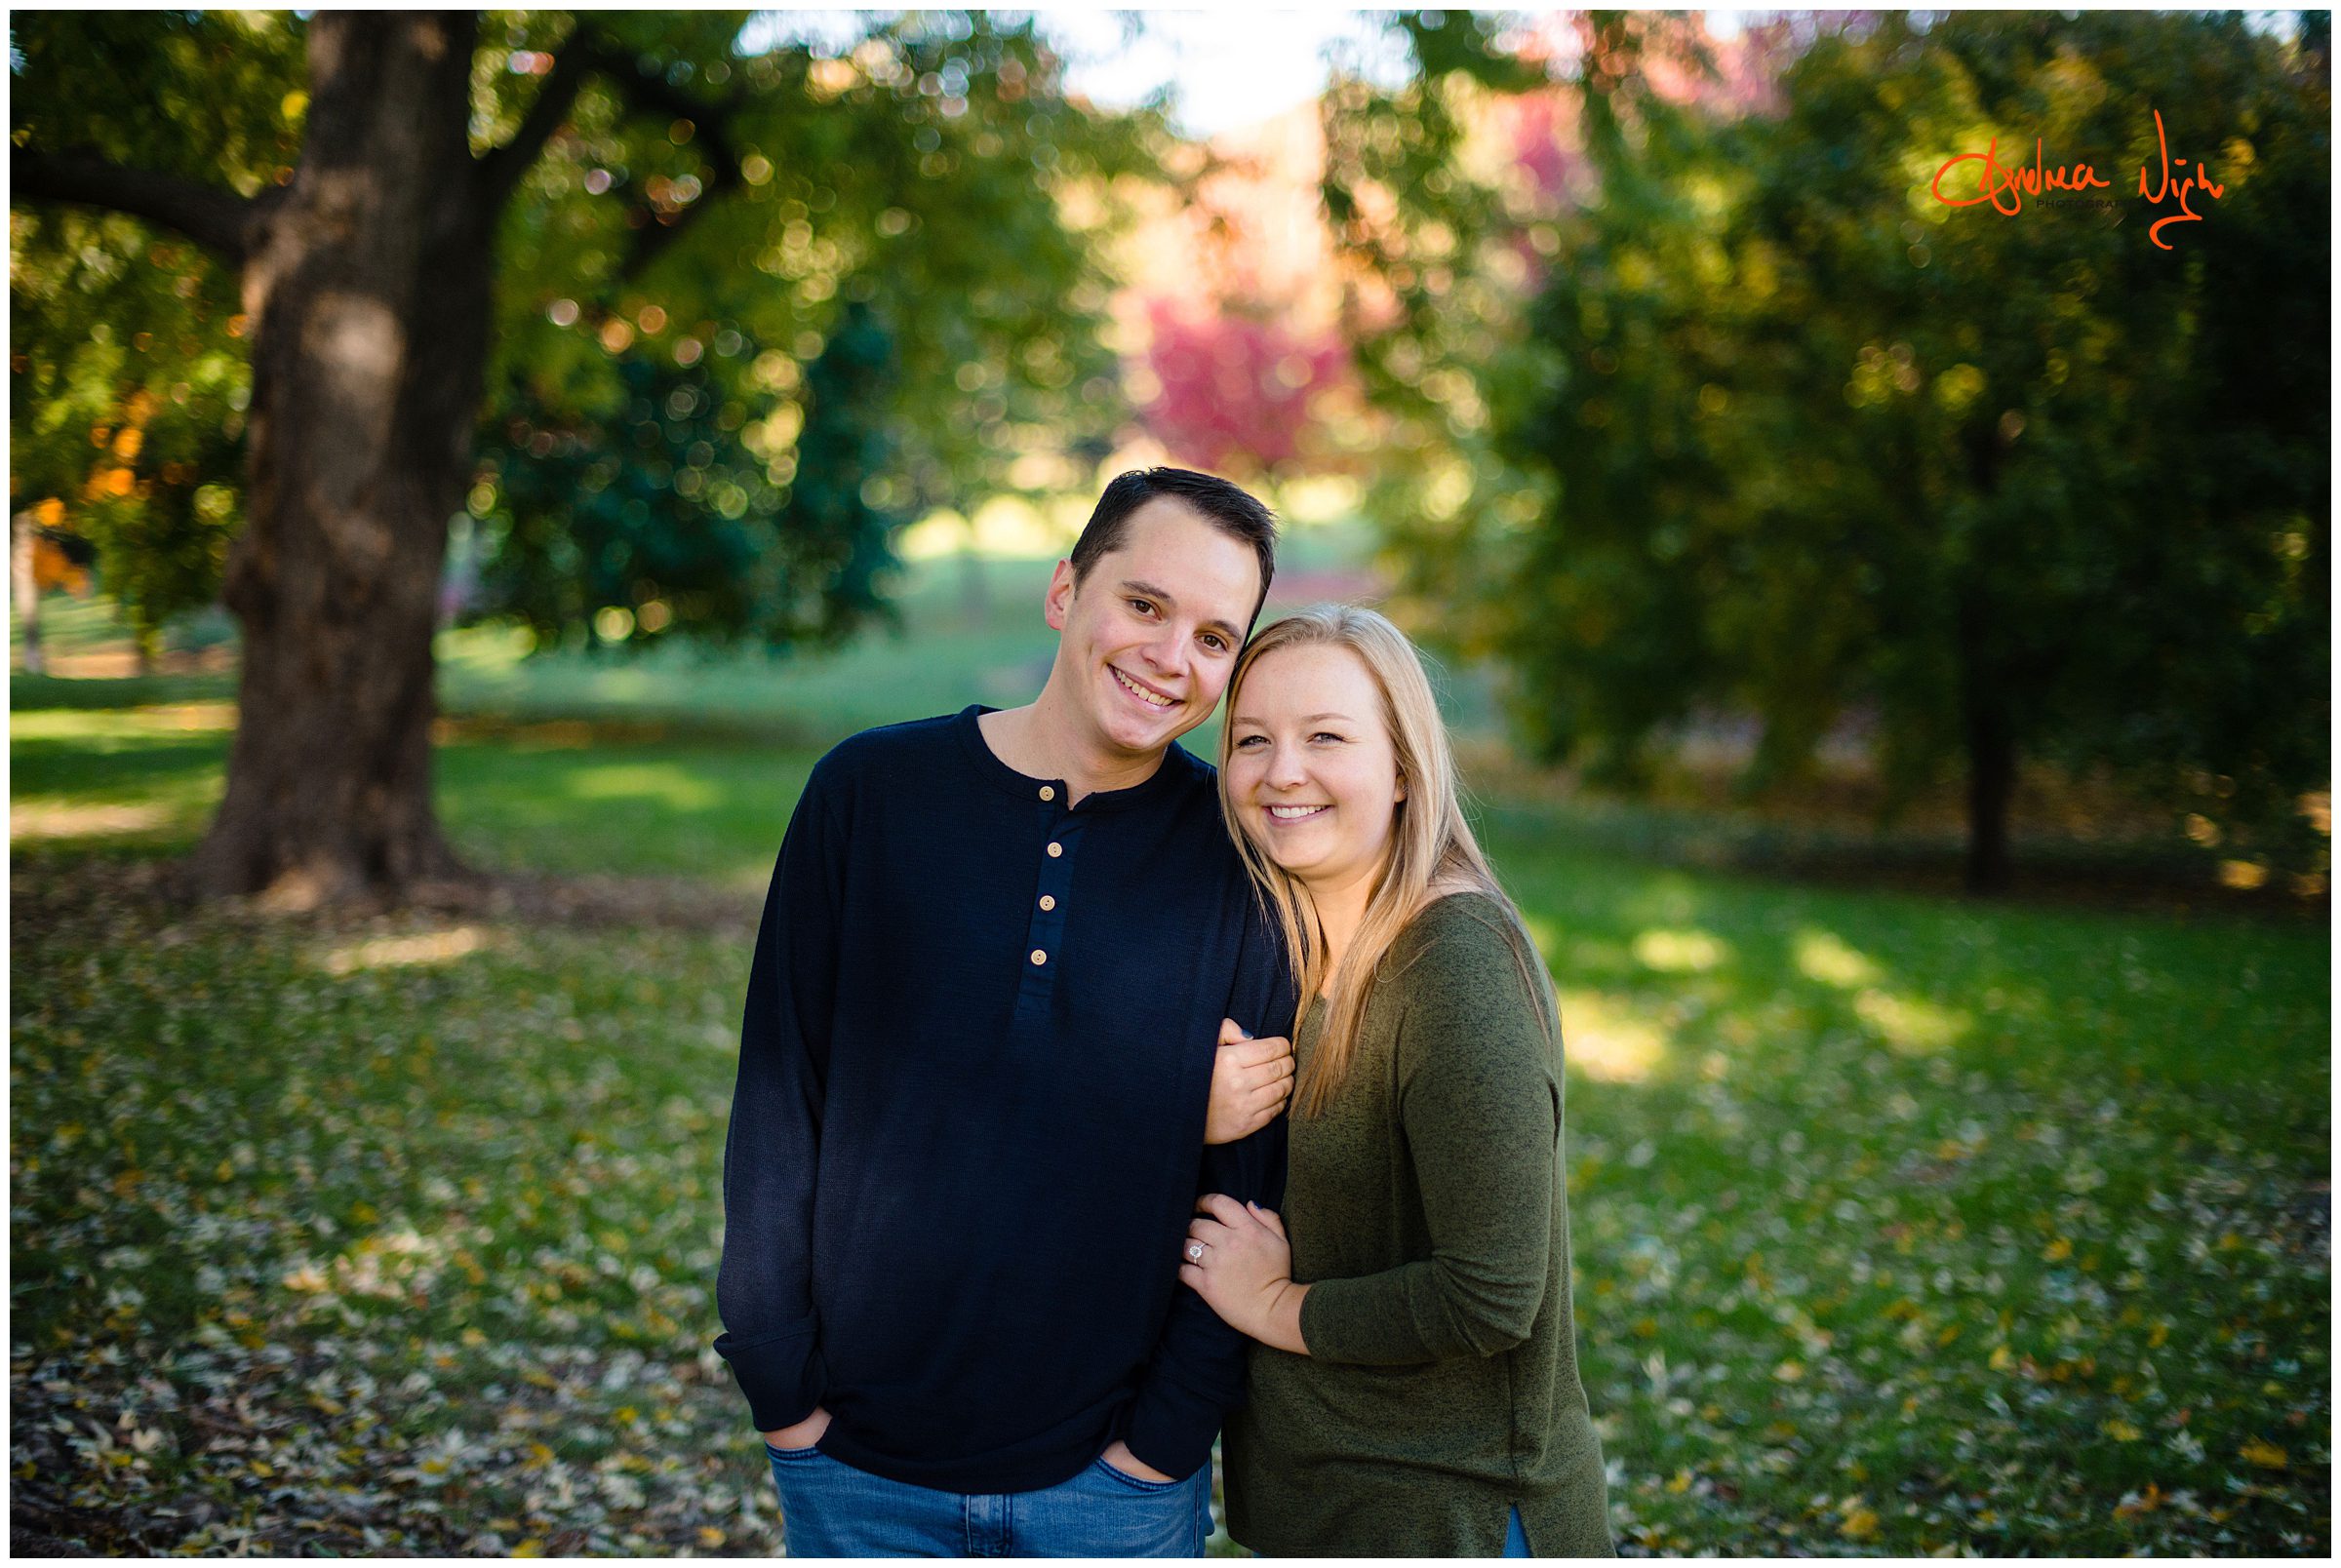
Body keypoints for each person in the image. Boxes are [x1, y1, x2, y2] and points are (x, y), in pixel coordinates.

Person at [714, 467, 1299, 1557]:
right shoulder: (869, 797)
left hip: (1111, 1490)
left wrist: (1161, 1446)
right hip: (855, 1469)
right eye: (1145, 605)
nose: (1172, 658)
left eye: (1216, 639)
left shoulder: (1239, 865)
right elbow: (779, 1097)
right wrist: (782, 1390)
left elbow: (1248, 1196)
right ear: (1064, 590)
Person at [1179, 605, 1615, 1557]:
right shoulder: (1298, 946)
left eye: (1325, 736)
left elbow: (1492, 1294)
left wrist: (1273, 1305)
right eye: (1252, 740)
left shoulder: (1453, 959)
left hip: (1452, 1515)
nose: (1280, 772)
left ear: (1406, 765)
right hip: (1338, 1509)